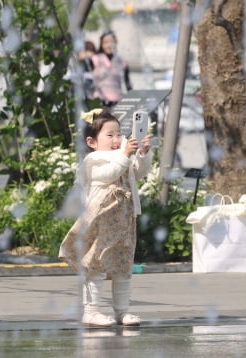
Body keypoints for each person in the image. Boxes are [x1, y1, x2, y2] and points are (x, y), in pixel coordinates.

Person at [59, 108, 152, 327]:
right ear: (91, 141)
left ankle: (122, 312)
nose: (116, 139)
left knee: (123, 265)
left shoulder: (123, 156)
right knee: (97, 264)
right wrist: (126, 154)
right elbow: (109, 174)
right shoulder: (93, 159)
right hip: (102, 219)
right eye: (109, 135)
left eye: (118, 134)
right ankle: (91, 311)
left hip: (124, 217)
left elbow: (137, 173)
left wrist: (144, 154)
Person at [90, 31, 132, 107]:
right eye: (105, 42)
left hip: (117, 101)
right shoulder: (95, 59)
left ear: (116, 43)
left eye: (111, 42)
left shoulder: (122, 61)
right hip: (99, 101)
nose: (109, 45)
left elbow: (128, 84)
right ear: (101, 44)